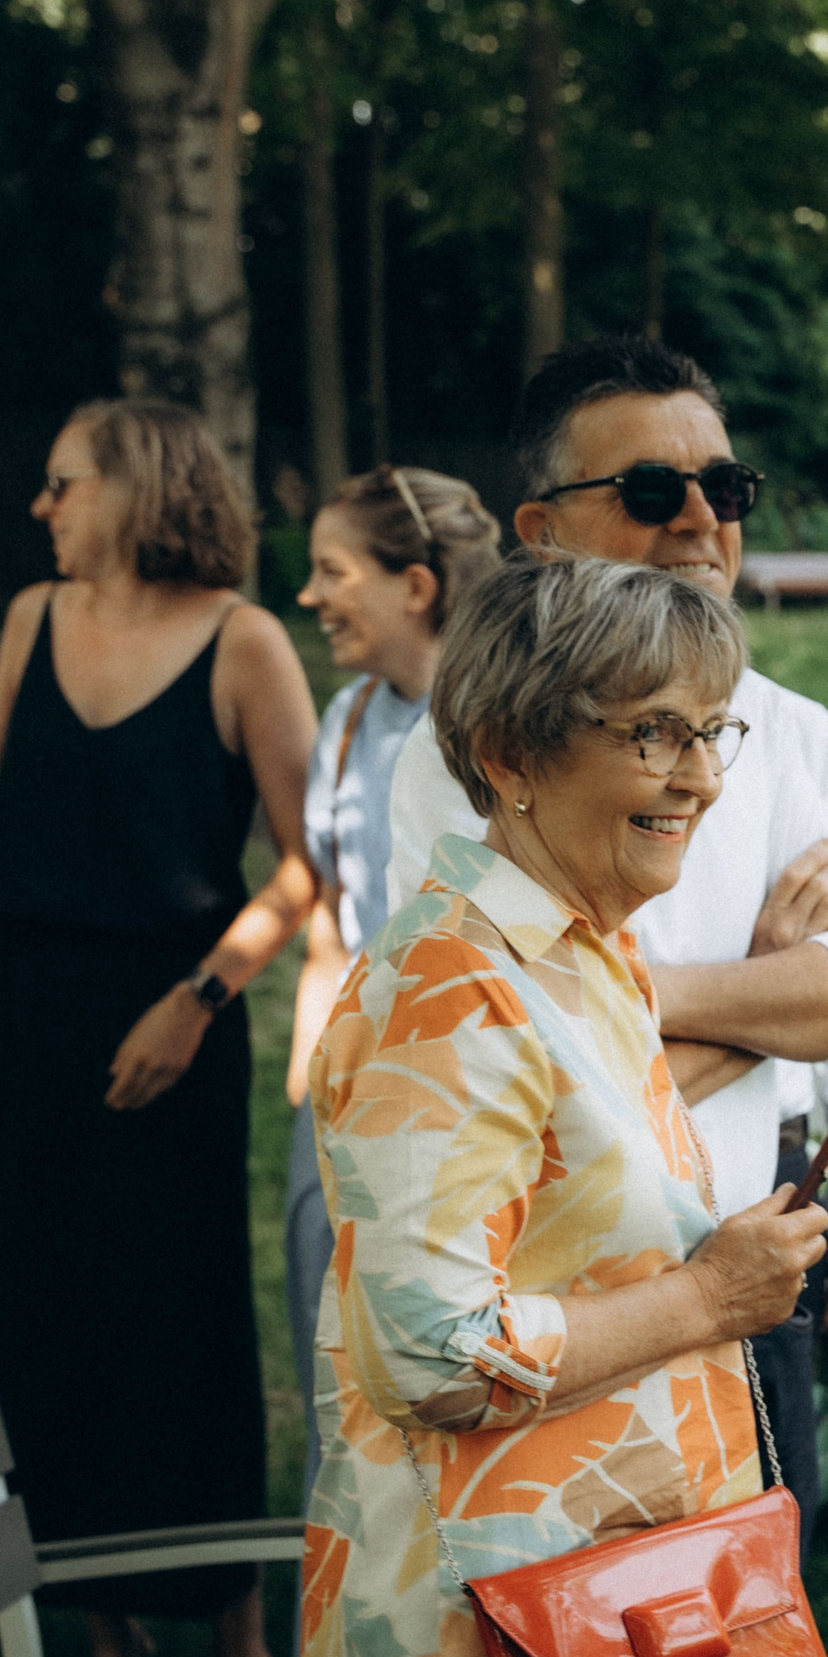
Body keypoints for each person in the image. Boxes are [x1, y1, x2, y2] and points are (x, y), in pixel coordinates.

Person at [384, 335, 828, 1550]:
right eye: (647, 490)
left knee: (745, 1623)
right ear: (542, 530)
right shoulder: (465, 749)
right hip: (556, 1303)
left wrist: (631, 998)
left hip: (752, 1262)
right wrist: (768, 991)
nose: (697, 518)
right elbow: (507, 1069)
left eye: (722, 487)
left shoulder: (792, 734)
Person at [302, 553, 828, 1657]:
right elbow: (431, 1353)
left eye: (711, 732)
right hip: (482, 1626)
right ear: (508, 753)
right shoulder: (446, 990)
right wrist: (708, 1296)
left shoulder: (587, 953)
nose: (701, 776)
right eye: (654, 732)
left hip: (613, 1598)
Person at [0, 401, 318, 1657]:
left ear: (137, 490)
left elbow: (310, 869)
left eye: (61, 483)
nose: (44, 507)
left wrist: (199, 997)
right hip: (11, 1011)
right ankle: (105, 1634)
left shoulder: (245, 643)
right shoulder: (34, 615)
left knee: (170, 1323)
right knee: (20, 1305)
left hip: (167, 1022)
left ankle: (236, 1629)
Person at [281, 465, 498, 1506]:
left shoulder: (511, 719)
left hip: (473, 1097)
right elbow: (327, 899)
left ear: (415, 584)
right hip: (348, 1087)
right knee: (334, 1371)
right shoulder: (352, 712)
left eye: (331, 572)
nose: (309, 596)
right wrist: (311, 1062)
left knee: (452, 1382)